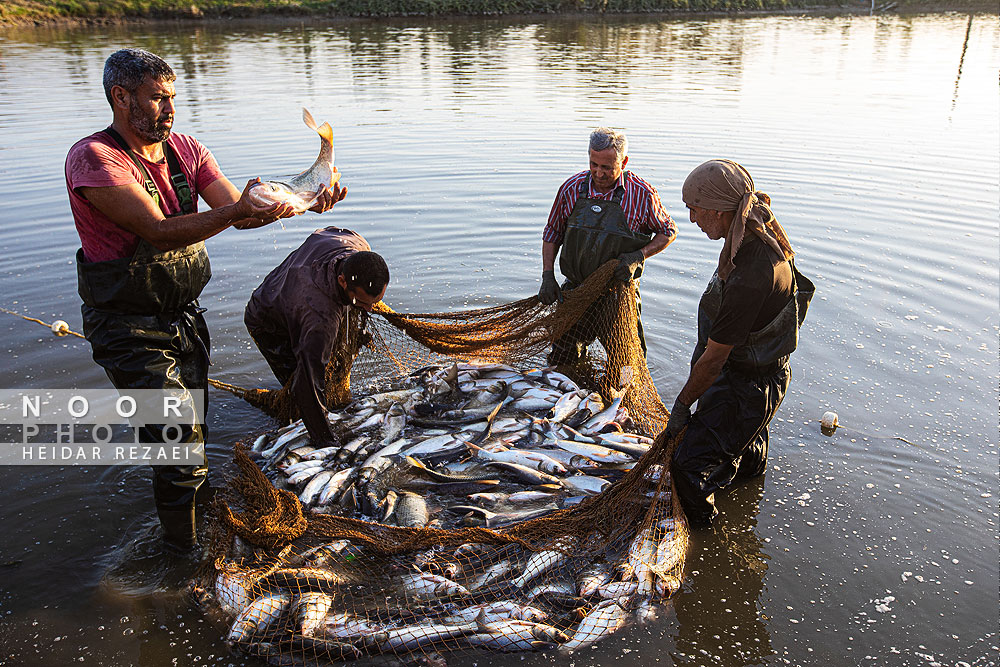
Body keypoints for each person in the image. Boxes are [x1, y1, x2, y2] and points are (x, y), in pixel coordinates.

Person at [66, 48, 345, 553]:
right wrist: (239, 208)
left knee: (188, 429)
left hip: (184, 318)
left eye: (171, 97)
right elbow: (157, 230)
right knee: (175, 438)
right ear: (120, 96)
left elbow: (240, 214)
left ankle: (195, 520)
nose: (168, 110)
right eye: (155, 99)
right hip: (126, 327)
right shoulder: (94, 159)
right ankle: (179, 557)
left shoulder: (188, 150)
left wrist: (300, 201)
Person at [667, 159, 814, 527]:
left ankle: (710, 539)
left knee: (687, 468)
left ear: (719, 210)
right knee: (747, 452)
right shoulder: (753, 230)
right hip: (763, 375)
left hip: (746, 388)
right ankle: (747, 518)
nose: (692, 219)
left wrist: (683, 404)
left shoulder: (752, 271)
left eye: (694, 210)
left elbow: (714, 360)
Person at [537, 127, 677, 365]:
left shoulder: (642, 194)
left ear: (624, 162)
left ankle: (620, 397)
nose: (598, 173)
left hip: (618, 294)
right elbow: (553, 232)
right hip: (577, 289)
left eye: (607, 167)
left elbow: (668, 232)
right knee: (562, 356)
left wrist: (638, 256)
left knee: (626, 363)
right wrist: (547, 275)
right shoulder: (571, 188)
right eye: (594, 164)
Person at [244, 227, 389, 447]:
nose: (369, 309)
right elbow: (308, 383)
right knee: (301, 380)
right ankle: (298, 423)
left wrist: (360, 302)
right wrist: (326, 442)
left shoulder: (356, 244)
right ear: (342, 281)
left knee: (320, 364)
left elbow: (326, 231)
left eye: (374, 301)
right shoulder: (321, 320)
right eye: (362, 303)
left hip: (294, 287)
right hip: (268, 318)